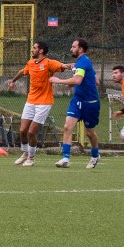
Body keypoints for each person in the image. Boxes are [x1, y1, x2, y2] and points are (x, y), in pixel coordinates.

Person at [8, 41, 65, 167]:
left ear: (41, 50)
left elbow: (62, 66)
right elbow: (23, 71)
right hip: (31, 100)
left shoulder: (49, 63)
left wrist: (73, 66)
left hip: (44, 102)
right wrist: (13, 81)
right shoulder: (31, 63)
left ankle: (31, 158)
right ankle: (25, 153)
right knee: (23, 130)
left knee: (31, 132)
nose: (32, 50)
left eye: (34, 48)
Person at [49, 38, 101, 169]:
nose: (71, 49)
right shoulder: (81, 62)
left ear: (80, 49)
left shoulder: (84, 61)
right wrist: (74, 82)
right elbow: (95, 80)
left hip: (90, 102)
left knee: (90, 133)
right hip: (77, 100)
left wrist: (58, 81)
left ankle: (95, 155)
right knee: (67, 127)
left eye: (73, 47)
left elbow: (78, 80)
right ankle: (65, 158)